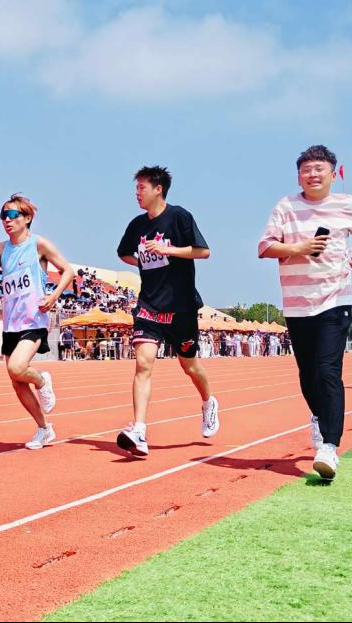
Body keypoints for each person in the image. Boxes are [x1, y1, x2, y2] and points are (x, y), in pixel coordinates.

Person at [258, 144, 352, 480]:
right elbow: (265, 246)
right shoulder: (286, 206)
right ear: (299, 176)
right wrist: (300, 248)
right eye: (306, 170)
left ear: (333, 174)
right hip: (297, 303)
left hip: (335, 299)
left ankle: (329, 446)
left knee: (327, 370)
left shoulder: (348, 204)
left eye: (318, 169)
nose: (312, 175)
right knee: (308, 374)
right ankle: (319, 416)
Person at [116, 165, 218, 458]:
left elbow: (203, 251)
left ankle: (208, 402)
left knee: (189, 365)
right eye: (136, 188)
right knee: (143, 363)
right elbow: (123, 253)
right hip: (149, 305)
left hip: (181, 307)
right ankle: (139, 430)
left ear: (158, 189)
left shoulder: (179, 216)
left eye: (142, 188)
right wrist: (143, 261)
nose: (137, 193)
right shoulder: (137, 225)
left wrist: (167, 250)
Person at [0, 193, 74, 450]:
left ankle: (42, 380)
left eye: (12, 215)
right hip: (11, 323)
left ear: (27, 218)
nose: (7, 220)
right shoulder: (2, 249)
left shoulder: (38, 244)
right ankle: (44, 428)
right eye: (3, 215)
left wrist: (54, 296)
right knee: (17, 381)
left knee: (16, 368)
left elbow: (68, 271)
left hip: (33, 320)